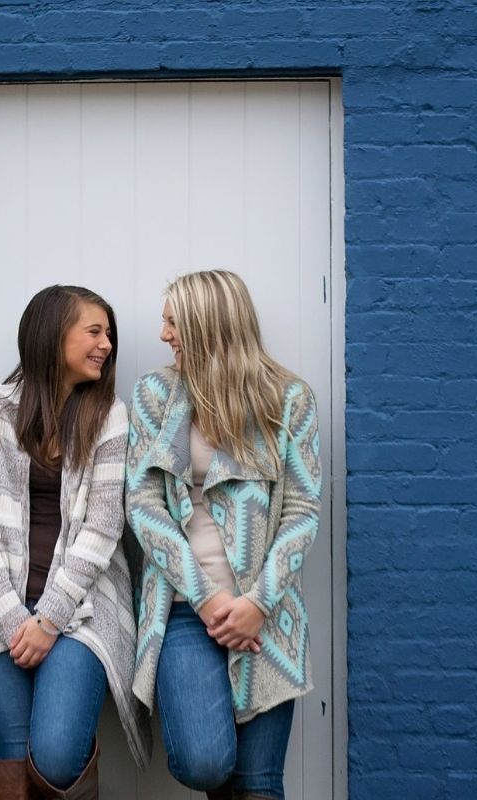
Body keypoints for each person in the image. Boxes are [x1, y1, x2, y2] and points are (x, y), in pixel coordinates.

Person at [126, 270, 322, 800]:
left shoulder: (288, 400)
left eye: (173, 323)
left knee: (257, 784)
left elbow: (303, 509)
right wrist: (207, 595)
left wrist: (257, 602)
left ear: (206, 326)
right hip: (186, 610)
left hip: (266, 614)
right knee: (205, 763)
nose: (164, 335)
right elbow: (142, 504)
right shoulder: (156, 394)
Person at [0, 285, 149, 800]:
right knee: (13, 762)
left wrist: (48, 620)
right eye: (94, 331)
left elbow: (104, 527)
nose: (106, 344)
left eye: (110, 334)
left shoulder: (109, 416)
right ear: (52, 335)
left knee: (58, 757)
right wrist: (17, 621)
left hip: (81, 607)